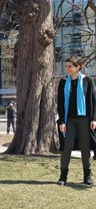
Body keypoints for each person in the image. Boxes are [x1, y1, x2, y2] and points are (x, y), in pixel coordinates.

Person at [57, 56, 96, 186]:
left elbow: (94, 101)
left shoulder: (88, 81)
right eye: (66, 66)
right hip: (69, 119)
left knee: (85, 147)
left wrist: (94, 119)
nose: (67, 68)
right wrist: (62, 121)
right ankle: (63, 176)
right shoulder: (63, 82)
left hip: (84, 119)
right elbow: (61, 103)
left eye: (70, 66)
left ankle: (87, 176)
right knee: (67, 146)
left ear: (78, 67)